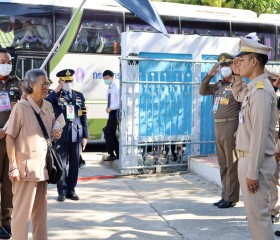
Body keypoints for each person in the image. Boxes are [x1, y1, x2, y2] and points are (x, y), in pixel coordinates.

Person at [5, 69, 62, 240]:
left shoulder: (48, 106)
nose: (47, 87)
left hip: (42, 169)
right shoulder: (21, 108)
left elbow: (48, 132)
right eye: (43, 84)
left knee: (40, 215)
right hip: (24, 171)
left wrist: (56, 133)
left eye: (48, 84)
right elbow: (10, 137)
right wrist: (13, 166)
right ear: (31, 85)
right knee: (22, 215)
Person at [231, 34, 277, 240]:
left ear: (254, 61)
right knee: (254, 218)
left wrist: (252, 172)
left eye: (242, 59)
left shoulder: (260, 91)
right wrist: (237, 75)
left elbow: (258, 136)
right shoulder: (253, 88)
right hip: (248, 159)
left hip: (254, 162)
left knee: (259, 218)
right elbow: (238, 95)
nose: (238, 63)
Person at [199, 53, 240, 208]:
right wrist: (210, 75)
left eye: (226, 65)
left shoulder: (238, 85)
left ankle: (231, 198)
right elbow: (202, 90)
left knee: (232, 163)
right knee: (223, 163)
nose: (224, 68)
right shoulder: (219, 85)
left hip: (231, 126)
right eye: (221, 66)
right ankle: (225, 194)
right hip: (218, 125)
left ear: (233, 66)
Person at [46, 69, 89, 202]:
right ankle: (62, 191)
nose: (68, 83)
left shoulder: (79, 96)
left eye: (70, 81)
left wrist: (85, 136)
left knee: (75, 164)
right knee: (61, 165)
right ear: (60, 81)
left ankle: (71, 190)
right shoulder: (55, 96)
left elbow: (83, 116)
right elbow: (47, 102)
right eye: (65, 81)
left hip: (76, 135)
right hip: (61, 134)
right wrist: (57, 89)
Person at [0, 48, 22, 239]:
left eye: (8, 61)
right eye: (2, 62)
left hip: (11, 141)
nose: (6, 65)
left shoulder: (16, 82)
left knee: (9, 184)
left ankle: (6, 221)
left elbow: (24, 108)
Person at [102, 70, 120, 161]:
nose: (105, 80)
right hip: (111, 112)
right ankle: (117, 153)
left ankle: (112, 153)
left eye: (107, 78)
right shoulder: (110, 87)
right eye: (104, 79)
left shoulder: (116, 86)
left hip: (115, 111)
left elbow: (120, 101)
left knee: (107, 131)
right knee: (111, 133)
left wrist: (111, 108)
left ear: (112, 77)